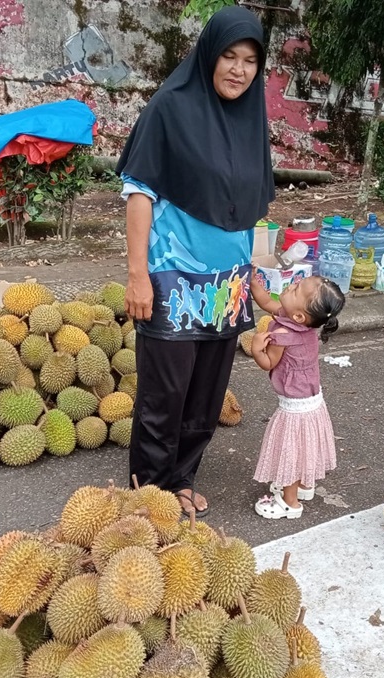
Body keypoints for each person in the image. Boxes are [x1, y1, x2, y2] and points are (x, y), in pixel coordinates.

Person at [115, 6, 275, 518]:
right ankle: (151, 493)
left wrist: (253, 275)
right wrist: (138, 275)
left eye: (250, 60)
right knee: (165, 394)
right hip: (171, 278)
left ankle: (181, 479)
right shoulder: (170, 108)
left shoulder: (251, 122)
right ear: (208, 54)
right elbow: (139, 193)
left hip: (226, 285)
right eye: (229, 55)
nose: (238, 69)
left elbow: (248, 207)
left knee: (206, 397)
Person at [249, 274, 345, 519]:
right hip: (312, 399)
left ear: (299, 316)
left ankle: (290, 503)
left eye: (296, 290)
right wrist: (253, 283)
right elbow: (266, 303)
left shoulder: (283, 334)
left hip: (295, 406)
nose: (291, 285)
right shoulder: (301, 323)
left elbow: (269, 362)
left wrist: (256, 348)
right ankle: (304, 486)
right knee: (304, 445)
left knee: (290, 449)